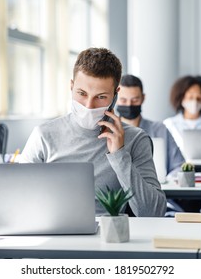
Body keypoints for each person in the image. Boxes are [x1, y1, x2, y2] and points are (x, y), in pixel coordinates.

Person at [19, 48, 166, 217]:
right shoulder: (44, 135)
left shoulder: (135, 139)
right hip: (52, 234)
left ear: (115, 95)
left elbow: (154, 212)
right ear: (71, 86)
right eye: (82, 93)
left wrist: (119, 155)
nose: (89, 105)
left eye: (101, 96)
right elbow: (17, 198)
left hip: (107, 238)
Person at [116, 74, 185, 178]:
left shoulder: (161, 130)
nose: (129, 105)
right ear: (115, 98)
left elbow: (179, 166)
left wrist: (166, 182)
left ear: (143, 98)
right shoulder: (109, 131)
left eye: (135, 100)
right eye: (123, 100)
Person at [163, 75, 201, 151]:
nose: (195, 102)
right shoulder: (169, 124)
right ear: (181, 97)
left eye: (199, 98)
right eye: (190, 97)